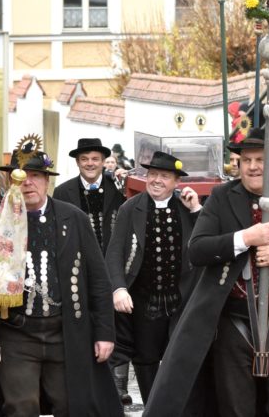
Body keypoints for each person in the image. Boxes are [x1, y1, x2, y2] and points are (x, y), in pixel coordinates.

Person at [145, 127, 269, 417]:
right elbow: (197, 249)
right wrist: (245, 238)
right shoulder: (222, 197)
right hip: (234, 322)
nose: (253, 166)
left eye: (261, 159)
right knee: (236, 408)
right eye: (246, 160)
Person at [0, 150, 122, 417]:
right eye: (21, 177)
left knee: (71, 405)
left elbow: (99, 280)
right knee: (21, 407)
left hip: (65, 333)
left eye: (35, 176)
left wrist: (104, 334)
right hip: (15, 333)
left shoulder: (74, 219)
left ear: (47, 181)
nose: (28, 183)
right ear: (11, 182)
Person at [105, 152, 201, 406]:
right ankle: (153, 408)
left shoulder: (186, 207)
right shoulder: (130, 208)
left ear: (176, 182)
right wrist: (118, 288)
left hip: (179, 301)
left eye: (164, 176)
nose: (157, 180)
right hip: (144, 300)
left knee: (178, 358)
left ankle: (177, 409)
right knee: (145, 359)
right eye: (153, 175)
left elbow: (206, 243)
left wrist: (197, 210)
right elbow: (114, 252)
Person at [53, 138, 125, 253]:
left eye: (95, 159)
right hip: (79, 264)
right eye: (84, 159)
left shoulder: (118, 187)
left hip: (111, 262)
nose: (90, 163)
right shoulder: (62, 192)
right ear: (77, 162)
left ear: (103, 162)